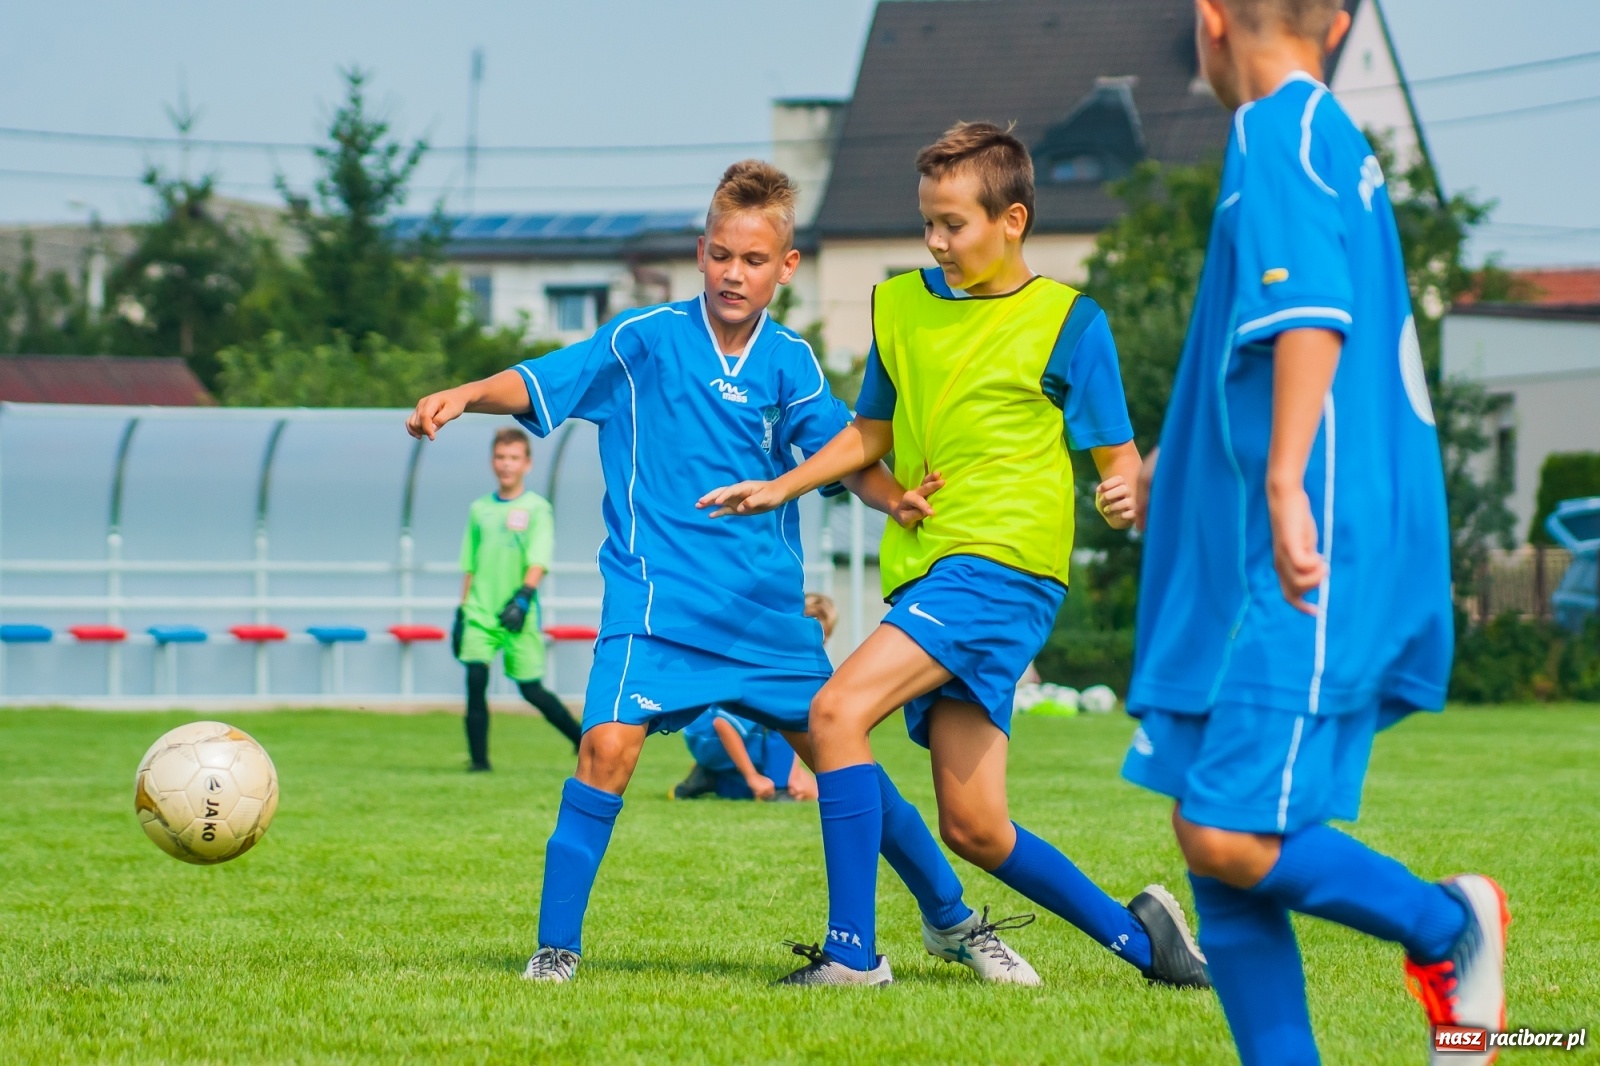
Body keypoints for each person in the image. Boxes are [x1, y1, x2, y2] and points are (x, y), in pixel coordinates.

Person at [408, 160, 1035, 986]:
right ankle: (555, 949)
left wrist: (894, 500)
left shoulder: (791, 364)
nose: (732, 274)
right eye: (719, 256)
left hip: (766, 619)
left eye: (751, 260)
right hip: (656, 607)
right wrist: (461, 393)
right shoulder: (643, 342)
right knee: (604, 751)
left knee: (849, 769)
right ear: (701, 253)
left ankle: (951, 918)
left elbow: (843, 453)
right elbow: (537, 378)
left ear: (786, 267)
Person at [701, 123, 1210, 989]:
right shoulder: (898, 306)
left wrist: (1124, 493)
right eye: (928, 223)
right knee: (974, 825)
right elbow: (868, 435)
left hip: (1004, 569)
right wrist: (784, 485)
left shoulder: (1072, 324)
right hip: (932, 568)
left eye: (954, 225)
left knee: (833, 715)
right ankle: (1145, 942)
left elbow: (1117, 462)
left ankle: (852, 956)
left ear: (1012, 219)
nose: (936, 241)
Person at [1119, 2, 1507, 1063]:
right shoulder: (1330, 137)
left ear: (1208, 18)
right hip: (1263, 543)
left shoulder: (1276, 129)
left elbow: (1311, 315)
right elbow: (1246, 347)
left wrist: (1285, 480)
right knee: (1214, 842)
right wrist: (1174, 462)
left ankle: (1448, 925)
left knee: (1226, 830)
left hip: (1297, 545)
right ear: (1337, 21)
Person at [454, 426, 583, 770]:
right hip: (480, 611)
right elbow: (470, 564)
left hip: (518, 612)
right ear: (492, 462)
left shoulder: (537, 509)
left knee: (531, 690)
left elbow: (538, 559)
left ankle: (581, 740)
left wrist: (524, 596)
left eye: (513, 458)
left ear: (527, 463)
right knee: (475, 682)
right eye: (500, 457)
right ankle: (479, 762)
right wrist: (461, 611)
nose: (506, 464)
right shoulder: (479, 509)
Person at [671, 593, 835, 802]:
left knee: (810, 790)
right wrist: (753, 777)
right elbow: (724, 723)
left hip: (722, 742)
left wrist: (793, 772)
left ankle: (714, 778)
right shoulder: (768, 667)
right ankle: (779, 789)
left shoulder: (787, 668)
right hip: (712, 735)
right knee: (783, 724)